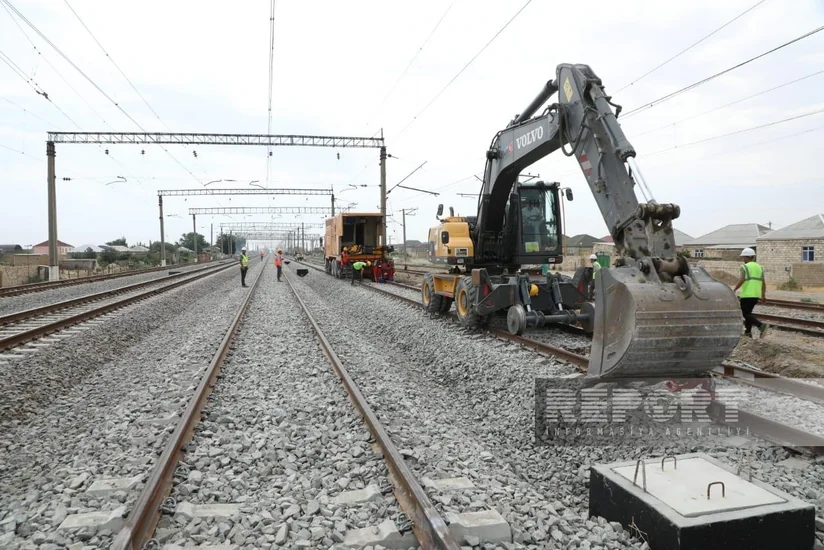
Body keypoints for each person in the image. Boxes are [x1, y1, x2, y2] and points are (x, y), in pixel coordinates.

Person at [733, 248, 768, 338]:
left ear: (746, 257)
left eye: (743, 257)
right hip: (756, 295)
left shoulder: (744, 267)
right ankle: (748, 333)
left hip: (747, 294)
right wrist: (763, 295)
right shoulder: (760, 267)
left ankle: (761, 326)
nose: (743, 259)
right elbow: (763, 283)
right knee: (748, 313)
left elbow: (742, 279)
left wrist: (734, 289)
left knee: (745, 313)